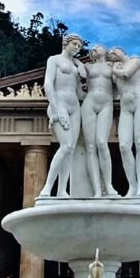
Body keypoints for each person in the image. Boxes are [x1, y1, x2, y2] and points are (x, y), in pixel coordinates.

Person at [39, 34, 86, 197]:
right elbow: (48, 84)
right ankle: (47, 187)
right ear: (66, 43)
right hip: (60, 104)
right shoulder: (54, 60)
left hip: (74, 106)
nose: (77, 48)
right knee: (65, 146)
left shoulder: (76, 66)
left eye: (79, 47)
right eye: (74, 44)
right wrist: (56, 108)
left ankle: (61, 190)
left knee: (70, 150)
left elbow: (80, 93)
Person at [107, 46, 140, 197]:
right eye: (111, 54)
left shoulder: (135, 61)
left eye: (114, 51)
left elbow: (126, 75)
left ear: (122, 51)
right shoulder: (115, 69)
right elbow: (114, 92)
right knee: (124, 146)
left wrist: (112, 69)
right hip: (125, 107)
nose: (112, 54)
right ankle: (132, 186)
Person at [80, 44, 119, 197]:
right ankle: (97, 189)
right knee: (90, 146)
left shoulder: (113, 65)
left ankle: (108, 186)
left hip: (106, 103)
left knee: (102, 143)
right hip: (89, 102)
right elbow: (77, 73)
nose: (95, 49)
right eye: (93, 49)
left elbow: (119, 83)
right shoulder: (87, 66)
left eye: (98, 47)